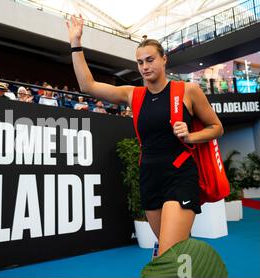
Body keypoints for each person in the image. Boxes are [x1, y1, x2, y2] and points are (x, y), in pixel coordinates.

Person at [67, 14, 224, 258]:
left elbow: (217, 127)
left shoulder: (188, 91)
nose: (145, 66)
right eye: (140, 62)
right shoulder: (133, 94)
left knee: (165, 253)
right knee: (171, 252)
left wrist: (191, 136)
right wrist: (75, 44)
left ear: (164, 59)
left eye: (150, 60)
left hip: (181, 175)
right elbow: (87, 86)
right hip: (150, 176)